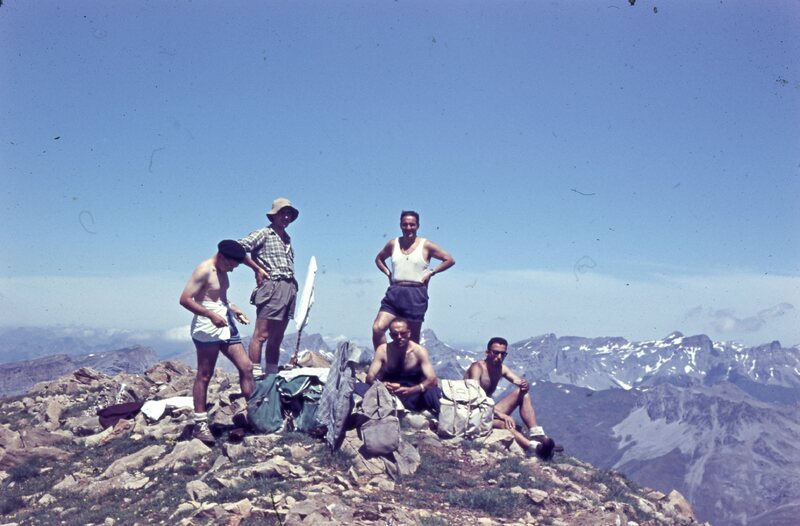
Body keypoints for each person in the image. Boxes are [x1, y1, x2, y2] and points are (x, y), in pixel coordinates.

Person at [179, 240, 255, 444]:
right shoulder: (204, 270)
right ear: (221, 256)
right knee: (205, 375)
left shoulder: (222, 270)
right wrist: (210, 315)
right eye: (230, 265)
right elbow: (185, 299)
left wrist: (234, 308)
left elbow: (219, 297)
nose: (232, 269)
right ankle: (200, 424)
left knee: (246, 367)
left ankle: (255, 415)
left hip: (226, 322)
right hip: (207, 326)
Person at [371, 210, 455, 349]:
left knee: (412, 340)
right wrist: (388, 273)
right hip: (395, 292)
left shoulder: (426, 245)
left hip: (415, 294)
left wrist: (432, 272)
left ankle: (410, 363)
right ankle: (384, 359)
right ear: (400, 225)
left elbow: (449, 260)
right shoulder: (393, 244)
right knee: (378, 328)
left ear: (417, 226)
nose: (408, 228)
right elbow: (379, 259)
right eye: (405, 224)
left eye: (412, 224)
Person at [465, 337, 556, 460]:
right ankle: (534, 448)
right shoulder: (477, 368)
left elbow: (517, 380)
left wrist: (524, 384)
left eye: (503, 354)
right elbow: (474, 398)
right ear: (487, 352)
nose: (499, 357)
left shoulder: (500, 368)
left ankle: (537, 435)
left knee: (523, 393)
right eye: (496, 352)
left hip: (487, 410)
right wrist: (502, 415)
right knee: (505, 423)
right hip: (472, 414)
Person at [238, 197, 299, 378]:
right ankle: (255, 376)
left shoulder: (286, 238)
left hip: (289, 287)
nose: (286, 217)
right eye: (282, 213)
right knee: (261, 335)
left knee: (277, 337)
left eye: (288, 214)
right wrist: (256, 269)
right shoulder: (264, 233)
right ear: (274, 215)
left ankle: (271, 374)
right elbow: (238, 248)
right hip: (272, 286)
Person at [365, 318, 441, 414]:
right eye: (395, 334)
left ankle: (444, 418)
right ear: (390, 335)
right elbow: (370, 377)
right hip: (388, 394)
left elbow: (432, 380)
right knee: (361, 388)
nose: (399, 337)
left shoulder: (419, 351)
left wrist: (411, 390)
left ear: (409, 333)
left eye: (403, 333)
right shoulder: (383, 350)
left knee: (432, 392)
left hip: (414, 393)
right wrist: (383, 385)